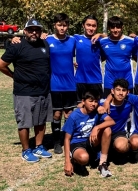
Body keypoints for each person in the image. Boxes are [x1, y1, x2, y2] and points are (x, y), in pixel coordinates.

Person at [0, 19, 53, 163]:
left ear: (41, 31)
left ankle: (39, 146)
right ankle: (26, 150)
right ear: (25, 31)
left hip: (43, 90)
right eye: (31, 30)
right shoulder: (17, 45)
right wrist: (14, 75)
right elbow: (2, 64)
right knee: (24, 122)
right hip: (24, 92)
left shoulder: (45, 44)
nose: (34, 32)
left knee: (40, 121)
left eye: (37, 30)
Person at [45, 13, 78, 154]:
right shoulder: (47, 40)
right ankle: (57, 141)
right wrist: (16, 38)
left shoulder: (73, 40)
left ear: (68, 26)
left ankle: (67, 138)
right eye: (59, 25)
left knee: (69, 114)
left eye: (64, 25)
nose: (62, 28)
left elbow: (89, 42)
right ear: (55, 25)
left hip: (70, 84)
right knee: (57, 114)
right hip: (55, 84)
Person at [63, 90, 115, 177]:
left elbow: (111, 121)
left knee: (107, 129)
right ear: (83, 101)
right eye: (90, 101)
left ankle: (102, 163)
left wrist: (96, 127)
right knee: (84, 158)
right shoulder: (74, 116)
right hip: (77, 143)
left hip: (90, 141)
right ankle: (75, 160)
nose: (93, 104)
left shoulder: (96, 111)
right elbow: (67, 139)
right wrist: (67, 162)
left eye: (95, 101)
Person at [99, 16, 136, 98]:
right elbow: (98, 58)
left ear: (122, 27)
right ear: (109, 28)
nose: (115, 30)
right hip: (109, 80)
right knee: (108, 107)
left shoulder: (131, 41)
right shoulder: (103, 42)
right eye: (112, 27)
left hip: (127, 79)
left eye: (118, 27)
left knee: (127, 107)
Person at [74, 15, 105, 103]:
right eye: (88, 25)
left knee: (97, 108)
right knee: (80, 108)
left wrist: (100, 34)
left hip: (95, 80)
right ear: (83, 25)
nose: (91, 28)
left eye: (93, 26)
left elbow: (111, 38)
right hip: (80, 80)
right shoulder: (76, 38)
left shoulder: (100, 40)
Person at [100, 79, 132, 157]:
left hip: (119, 133)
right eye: (118, 90)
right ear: (112, 91)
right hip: (103, 133)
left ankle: (113, 151)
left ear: (128, 92)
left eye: (123, 90)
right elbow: (81, 105)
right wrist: (98, 107)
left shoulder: (129, 104)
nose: (121, 93)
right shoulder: (102, 103)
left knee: (121, 146)